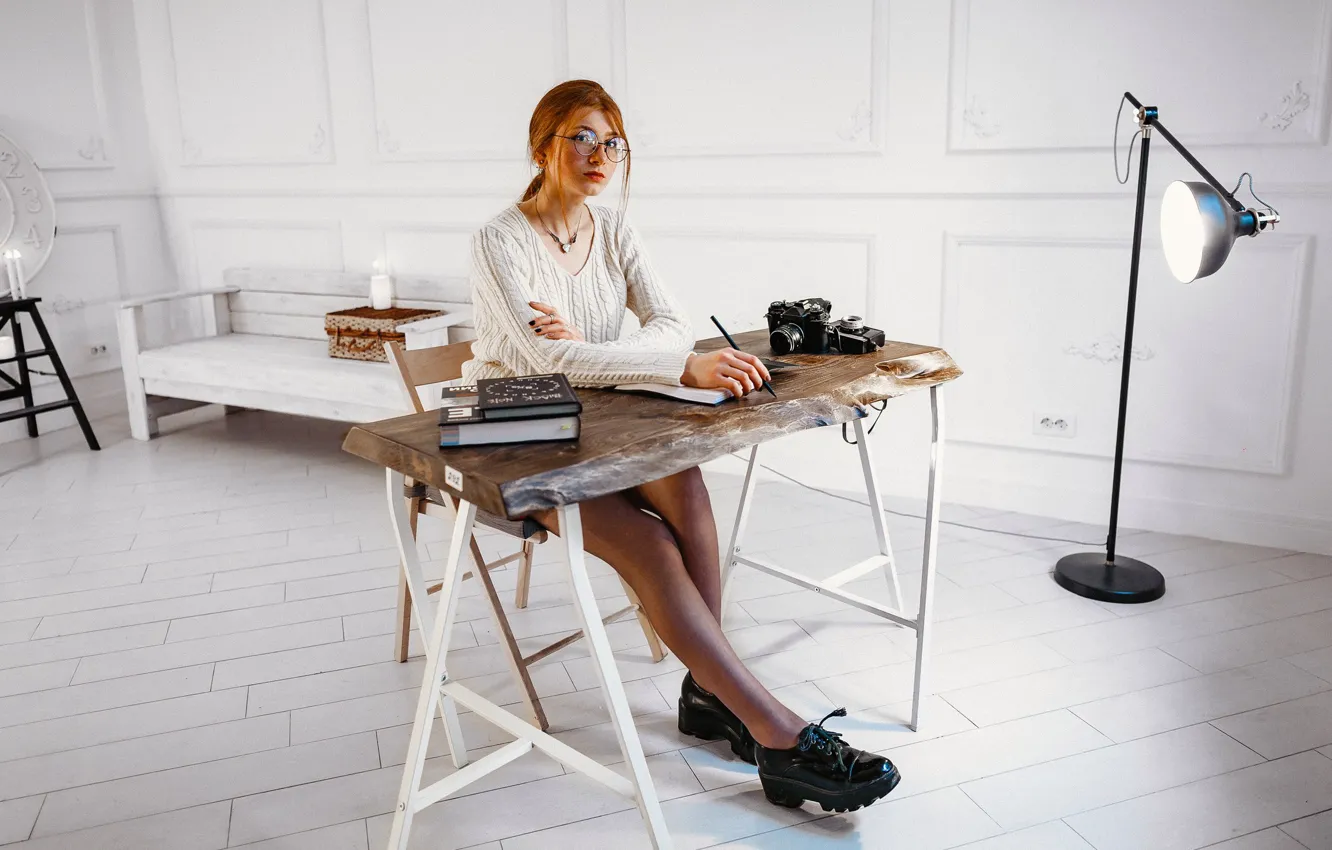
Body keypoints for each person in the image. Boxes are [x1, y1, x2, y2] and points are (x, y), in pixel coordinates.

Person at [463, 79, 900, 812]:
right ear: (543, 148)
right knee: (649, 544)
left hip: (601, 414)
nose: (600, 154)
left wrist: (598, 347)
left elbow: (671, 322)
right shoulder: (498, 241)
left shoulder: (615, 231)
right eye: (581, 137)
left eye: (612, 141)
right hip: (519, 429)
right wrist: (636, 358)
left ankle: (706, 691)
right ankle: (777, 733)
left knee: (686, 485)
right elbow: (546, 367)